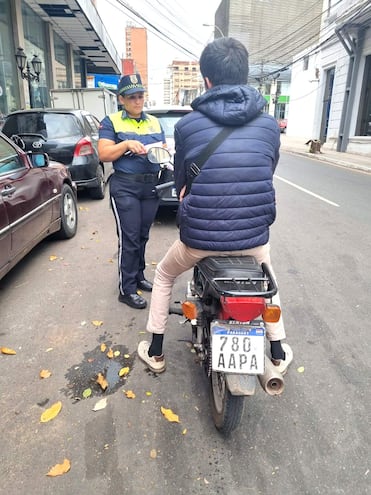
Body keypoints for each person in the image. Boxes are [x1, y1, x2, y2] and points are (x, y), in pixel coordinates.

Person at [137, 37, 293, 374]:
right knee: (267, 278)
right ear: (245, 75)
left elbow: (181, 184)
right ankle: (278, 351)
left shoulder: (187, 125)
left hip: (198, 241)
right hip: (253, 238)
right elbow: (268, 170)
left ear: (207, 80)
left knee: (163, 275)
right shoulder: (269, 126)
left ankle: (156, 351)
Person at [98, 74, 166, 309]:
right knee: (130, 239)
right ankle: (126, 289)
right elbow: (104, 154)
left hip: (150, 185)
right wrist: (126, 144)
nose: (138, 101)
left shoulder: (155, 122)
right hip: (125, 185)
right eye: (132, 97)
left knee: (143, 235)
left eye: (140, 96)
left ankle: (138, 276)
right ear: (122, 99)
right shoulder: (111, 121)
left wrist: (162, 151)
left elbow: (163, 149)